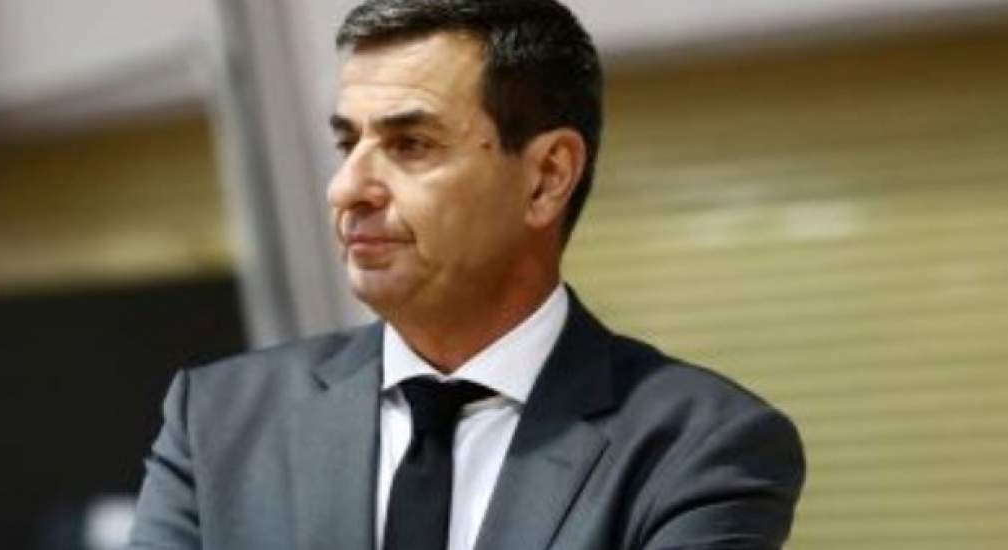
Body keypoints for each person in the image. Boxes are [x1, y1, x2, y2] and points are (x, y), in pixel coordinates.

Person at [128, 1, 805, 549]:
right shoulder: (217, 420)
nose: (346, 188)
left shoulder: (700, 444)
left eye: (410, 145)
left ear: (546, 178)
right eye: (348, 143)